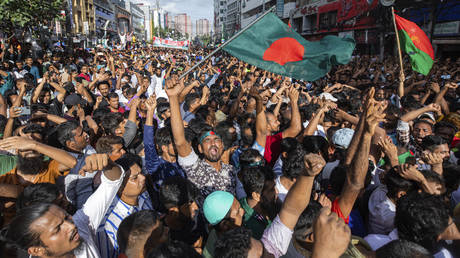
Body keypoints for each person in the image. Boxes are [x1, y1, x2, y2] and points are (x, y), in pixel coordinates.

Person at [0, 153, 123, 257]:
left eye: (66, 217)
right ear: (37, 250)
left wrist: (108, 165)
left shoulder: (80, 224)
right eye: (57, 229)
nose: (71, 226)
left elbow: (112, 181)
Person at [166, 78, 237, 197]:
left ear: (223, 145)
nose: (213, 143)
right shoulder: (196, 168)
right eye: (207, 140)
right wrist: (173, 98)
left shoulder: (231, 171)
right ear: (200, 148)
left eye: (216, 140)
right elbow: (180, 142)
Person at [96, 153, 153, 258]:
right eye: (135, 178)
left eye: (141, 173)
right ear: (119, 187)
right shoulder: (108, 226)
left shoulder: (143, 195)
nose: (143, 178)